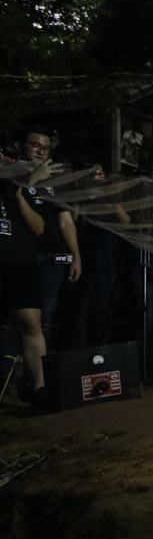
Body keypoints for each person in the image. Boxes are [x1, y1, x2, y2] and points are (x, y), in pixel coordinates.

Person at [20, 129, 82, 345]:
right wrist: (32, 179)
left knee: (45, 318)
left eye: (45, 148)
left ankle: (39, 373)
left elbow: (65, 220)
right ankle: (12, 374)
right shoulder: (13, 174)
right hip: (21, 257)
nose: (41, 152)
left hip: (51, 259)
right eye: (35, 145)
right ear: (23, 146)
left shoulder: (55, 179)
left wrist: (75, 255)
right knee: (18, 319)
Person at [0, 157, 48, 406]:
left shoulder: (17, 188)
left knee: (31, 322)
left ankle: (40, 388)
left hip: (21, 262)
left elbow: (39, 227)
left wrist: (20, 194)